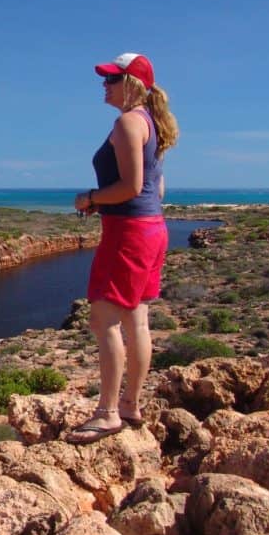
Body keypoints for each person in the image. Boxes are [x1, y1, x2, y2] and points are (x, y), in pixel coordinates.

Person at [67, 52, 179, 443]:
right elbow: (156, 188)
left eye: (112, 79)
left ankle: (108, 412)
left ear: (132, 84)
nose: (104, 84)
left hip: (128, 234)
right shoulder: (151, 124)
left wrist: (91, 198)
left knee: (103, 321)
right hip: (151, 229)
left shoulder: (128, 122)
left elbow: (130, 187)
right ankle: (131, 405)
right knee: (137, 320)